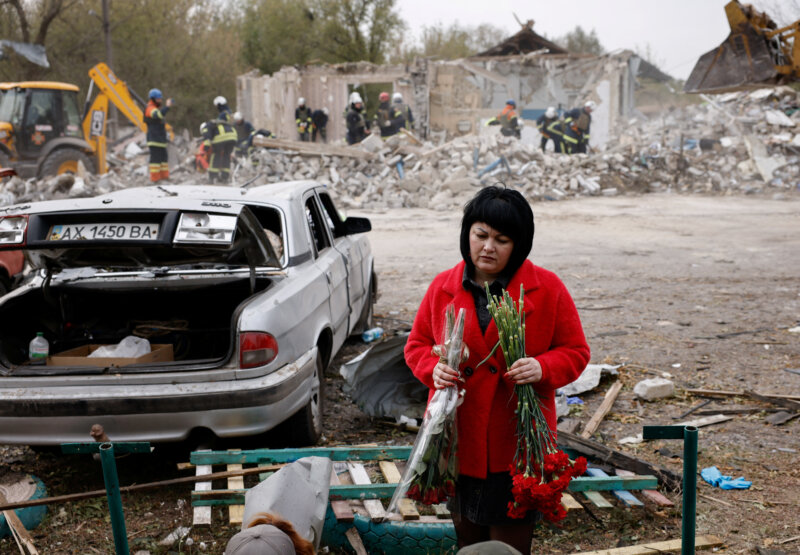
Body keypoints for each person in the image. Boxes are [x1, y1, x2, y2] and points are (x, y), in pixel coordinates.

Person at [404, 186, 590, 553]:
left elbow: (576, 351)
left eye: (502, 239)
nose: (488, 247)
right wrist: (434, 368)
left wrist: (541, 366)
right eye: (481, 235)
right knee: (467, 540)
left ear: (519, 245)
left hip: (516, 441)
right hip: (458, 437)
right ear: (467, 235)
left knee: (508, 547)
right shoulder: (443, 286)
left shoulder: (546, 289)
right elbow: (416, 347)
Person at [144, 88, 173, 183]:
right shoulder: (150, 108)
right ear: (153, 99)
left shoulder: (155, 108)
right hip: (154, 139)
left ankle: (164, 177)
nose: (160, 100)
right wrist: (167, 107)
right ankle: (155, 179)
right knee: (155, 160)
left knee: (164, 159)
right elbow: (158, 115)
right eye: (158, 99)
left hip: (160, 140)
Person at [201, 119, 238, 183]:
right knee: (226, 156)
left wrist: (206, 146)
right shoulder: (218, 124)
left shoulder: (206, 126)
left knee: (215, 155)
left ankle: (212, 178)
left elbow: (206, 136)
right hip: (233, 137)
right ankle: (224, 177)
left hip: (221, 137)